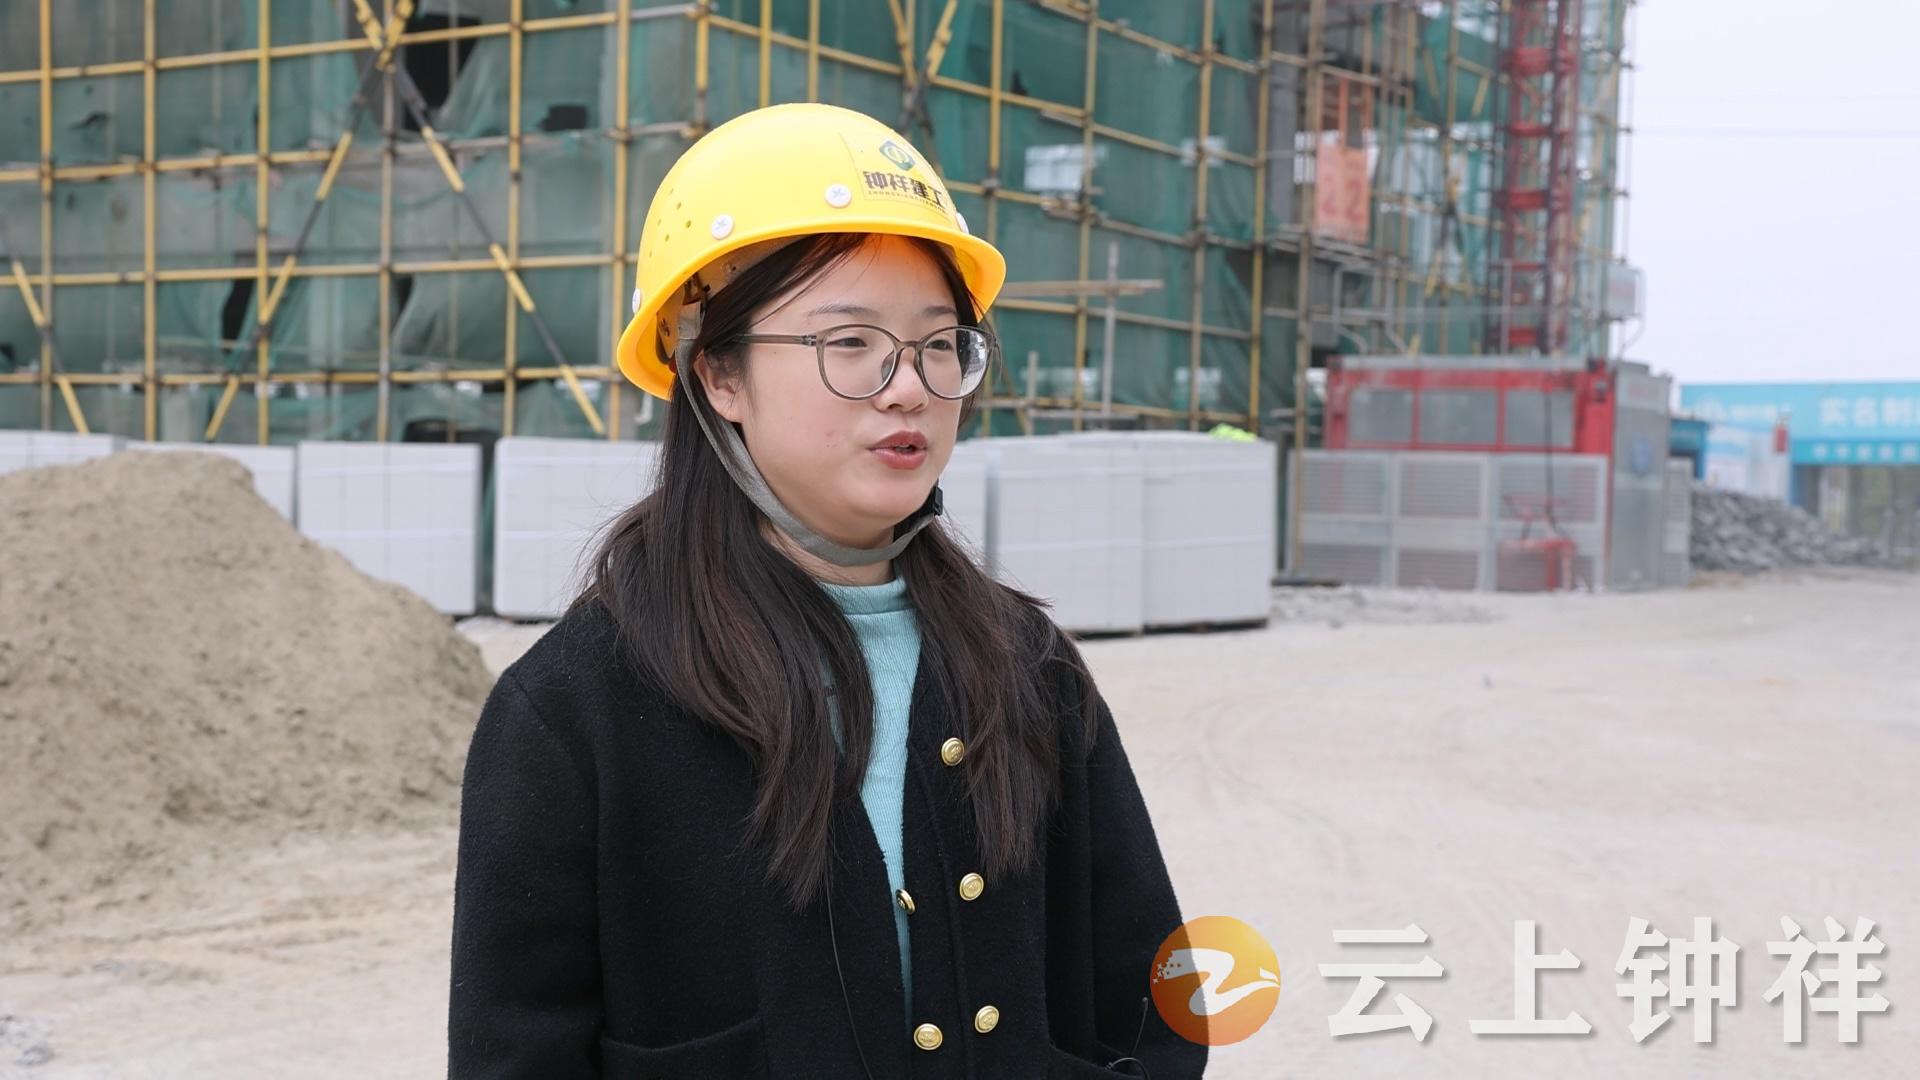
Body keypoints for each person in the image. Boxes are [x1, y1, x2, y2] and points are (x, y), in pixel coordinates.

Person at [447, 102, 1205, 1079]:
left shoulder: (1028, 670)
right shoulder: (575, 713)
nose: (909, 385)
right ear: (717, 375)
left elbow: (1153, 1007)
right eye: (850, 342)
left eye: (941, 343)